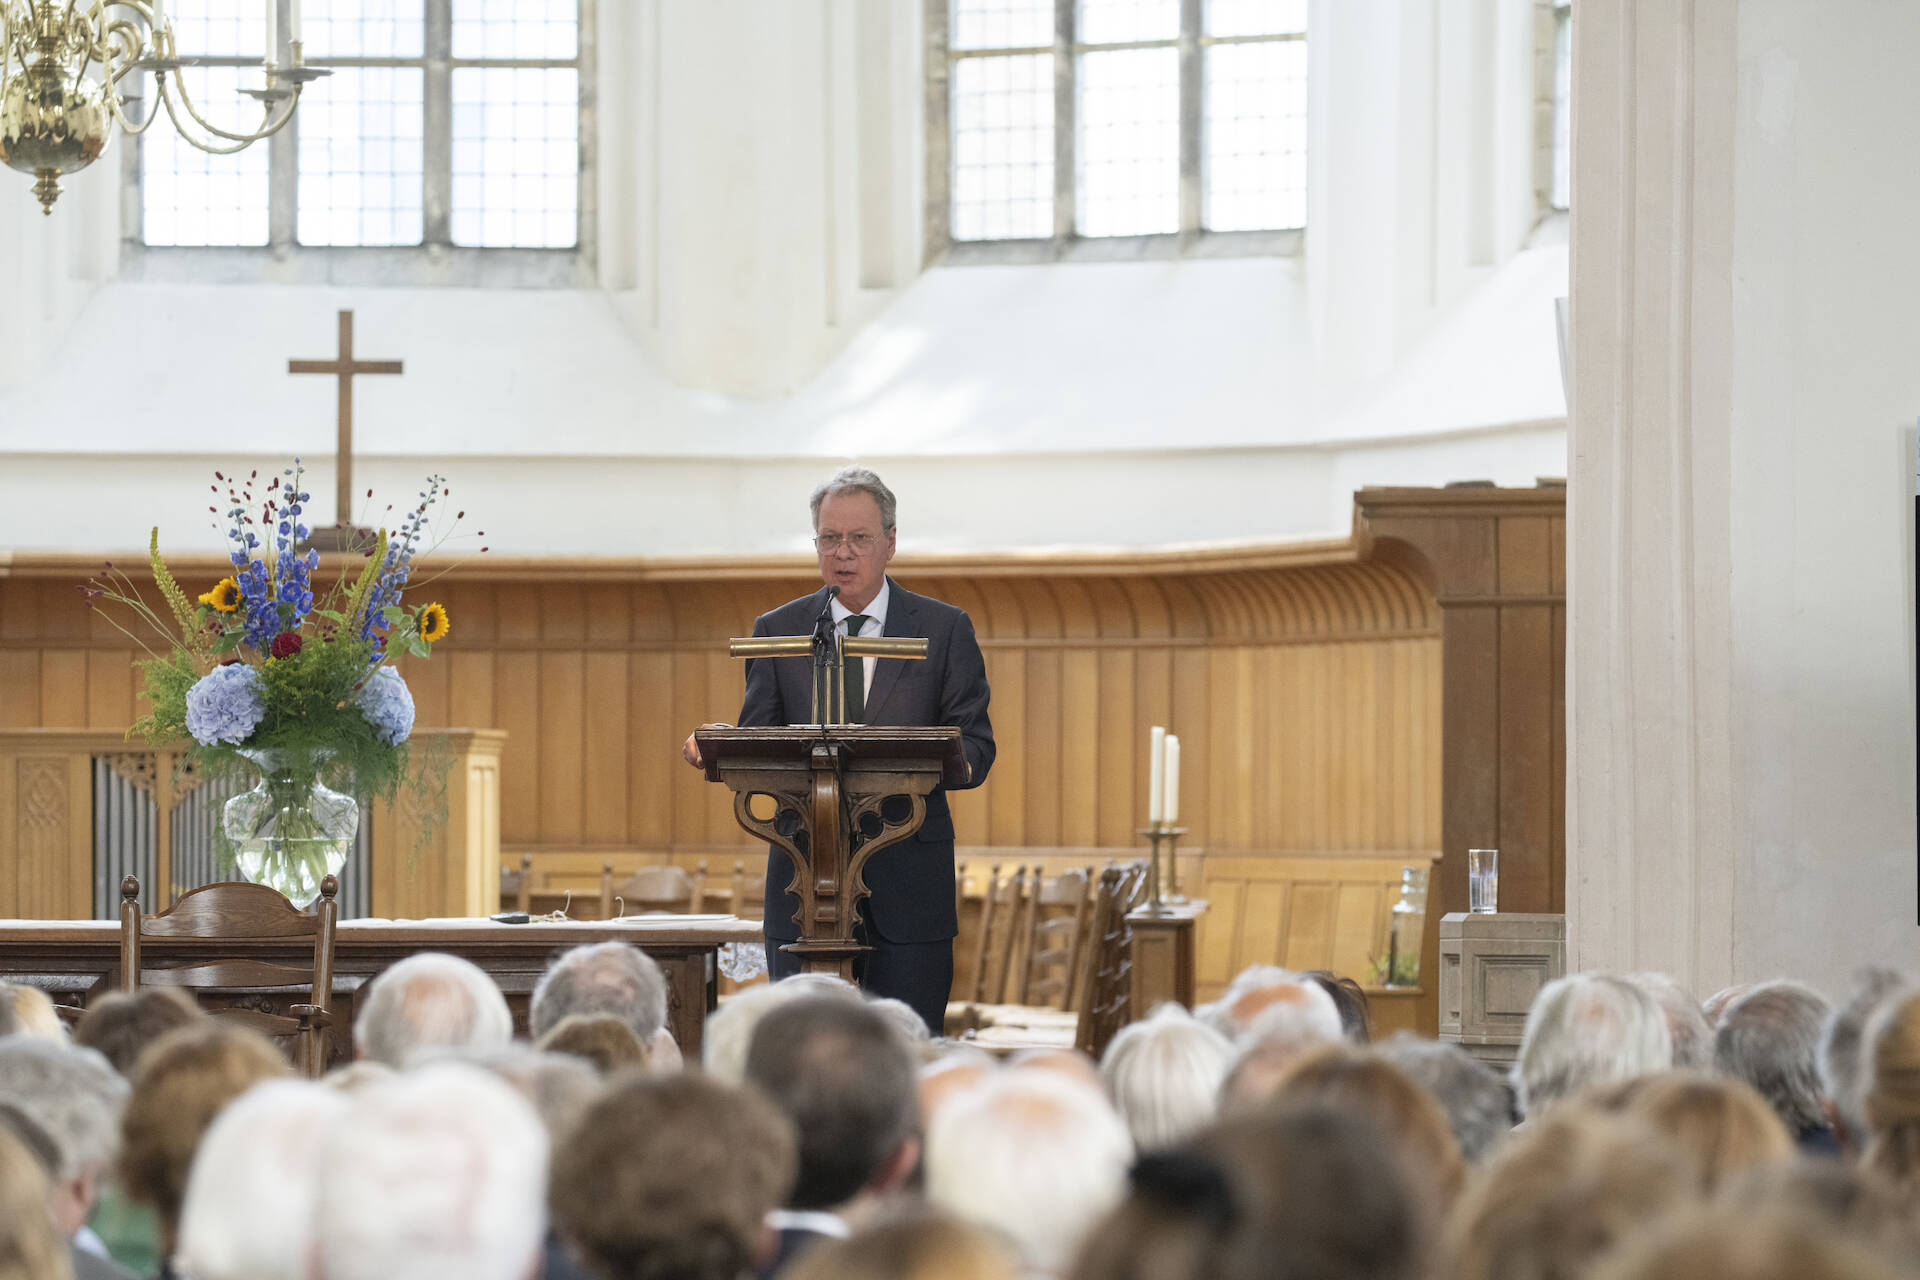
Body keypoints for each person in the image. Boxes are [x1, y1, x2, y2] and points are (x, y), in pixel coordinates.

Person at [683, 467, 994, 1032]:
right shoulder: (779, 630)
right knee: (802, 1056)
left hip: (909, 881)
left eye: (859, 539)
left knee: (910, 1052)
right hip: (806, 885)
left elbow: (976, 744)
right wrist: (720, 750)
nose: (842, 553)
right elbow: (761, 746)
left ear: (891, 543)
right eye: (829, 538)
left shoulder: (945, 630)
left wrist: (945, 759)